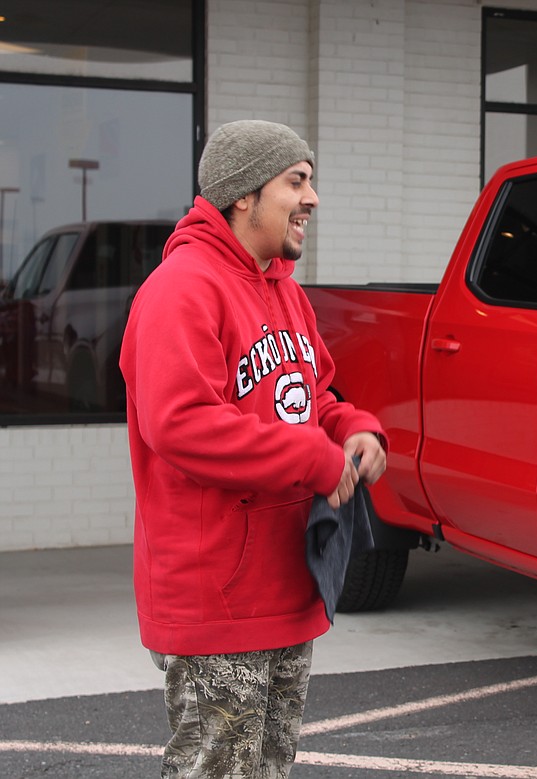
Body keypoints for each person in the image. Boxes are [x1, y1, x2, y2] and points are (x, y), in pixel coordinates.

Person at [120, 119, 388, 778]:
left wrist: (354, 427)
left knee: (269, 768)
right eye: (296, 181)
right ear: (244, 196)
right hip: (218, 597)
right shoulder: (181, 290)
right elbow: (181, 423)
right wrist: (312, 459)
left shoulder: (284, 290)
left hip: (285, 587)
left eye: (311, 181)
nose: (312, 198)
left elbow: (312, 395)